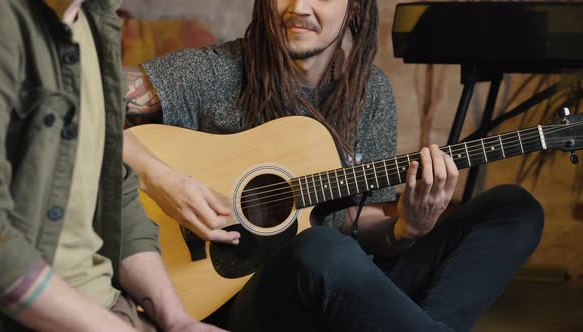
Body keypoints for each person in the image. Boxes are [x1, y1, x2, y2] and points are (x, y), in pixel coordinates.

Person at [123, 0, 544, 331]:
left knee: (514, 209)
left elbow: (357, 228)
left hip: (342, 284)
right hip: (247, 302)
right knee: (322, 246)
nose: (299, 7)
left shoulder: (369, 92)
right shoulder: (214, 72)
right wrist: (161, 178)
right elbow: (87, 104)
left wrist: (406, 228)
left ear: (354, 7)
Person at [0, 1, 226, 331]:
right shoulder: (2, 23)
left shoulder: (93, 21)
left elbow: (115, 188)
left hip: (113, 305)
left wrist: (178, 321)